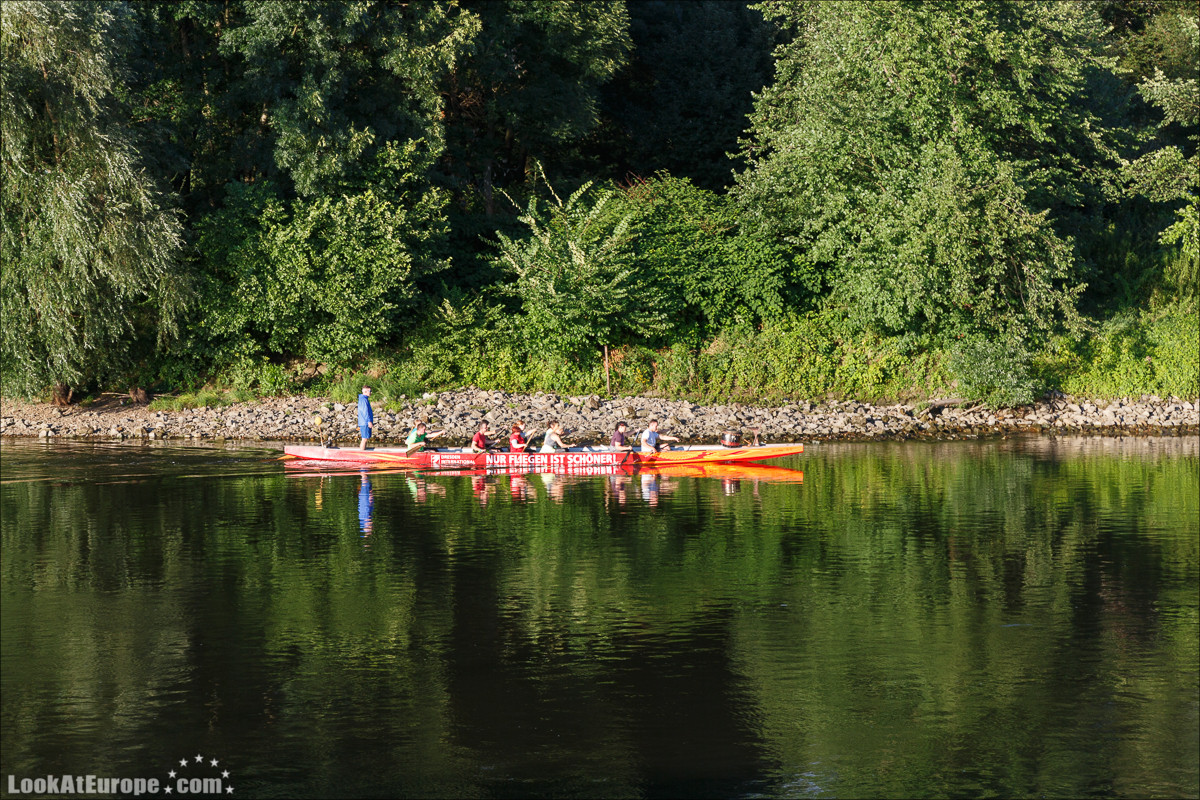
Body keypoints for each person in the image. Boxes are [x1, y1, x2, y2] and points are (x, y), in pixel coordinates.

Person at [357, 385, 374, 450]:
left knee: (365, 438)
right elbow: (365, 412)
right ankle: (361, 454)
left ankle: (364, 450)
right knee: (364, 439)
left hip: (364, 422)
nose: (371, 393)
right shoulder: (363, 400)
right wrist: (369, 421)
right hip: (365, 423)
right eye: (370, 391)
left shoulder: (364, 399)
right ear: (365, 391)